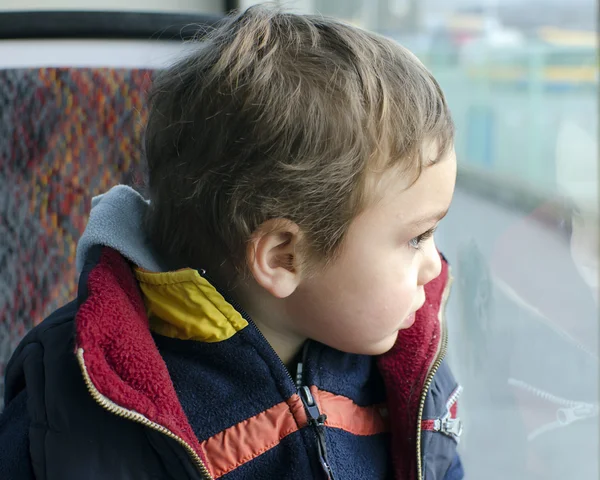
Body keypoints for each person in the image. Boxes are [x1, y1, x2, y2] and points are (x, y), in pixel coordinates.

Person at [0, 6, 463, 479]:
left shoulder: (407, 372)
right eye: (416, 237)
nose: (434, 265)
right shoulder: (70, 401)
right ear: (284, 256)